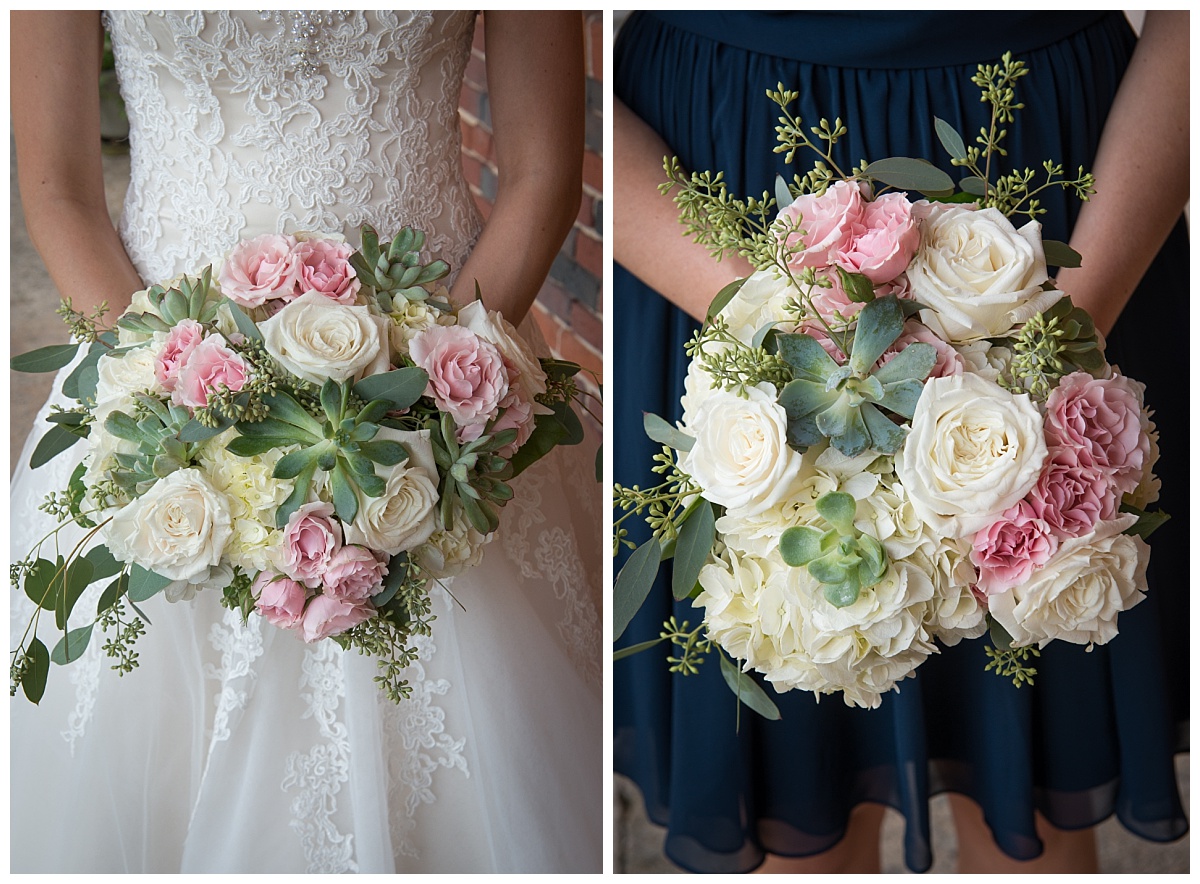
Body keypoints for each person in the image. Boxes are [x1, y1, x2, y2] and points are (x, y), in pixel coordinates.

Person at [10, 10, 601, 873]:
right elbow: (59, 186)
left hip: (441, 372)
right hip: (157, 385)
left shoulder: (438, 399)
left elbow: (543, 174)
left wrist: (435, 401)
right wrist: (171, 401)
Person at [613, 10, 1188, 874]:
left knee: (1036, 778)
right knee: (796, 786)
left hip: (1065, 209)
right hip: (720, 202)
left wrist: (1051, 344)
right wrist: (781, 332)